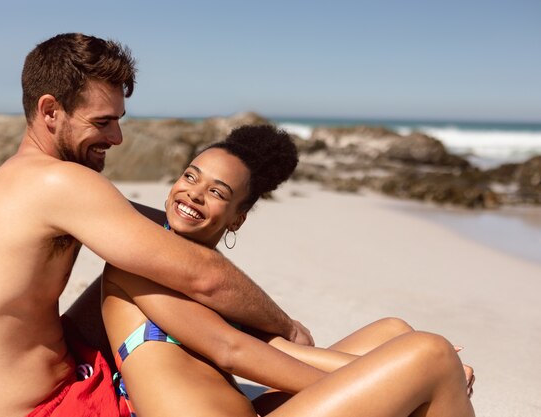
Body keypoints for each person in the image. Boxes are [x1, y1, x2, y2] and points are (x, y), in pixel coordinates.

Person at [0, 33, 312, 417]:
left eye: (118, 120)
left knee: (157, 252)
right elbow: (204, 277)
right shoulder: (57, 182)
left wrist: (197, 216)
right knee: (172, 266)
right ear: (50, 111)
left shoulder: (26, 177)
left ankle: (263, 361)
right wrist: (286, 326)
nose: (117, 137)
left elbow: (151, 228)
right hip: (46, 408)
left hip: (58, 372)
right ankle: (293, 363)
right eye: (103, 121)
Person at [102, 124, 476, 417]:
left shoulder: (209, 282)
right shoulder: (138, 259)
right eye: (190, 176)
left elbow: (274, 350)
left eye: (217, 192)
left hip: (249, 411)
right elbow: (231, 350)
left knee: (393, 332)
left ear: (237, 220)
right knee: (432, 355)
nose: (194, 194)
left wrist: (381, 374)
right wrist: (386, 381)